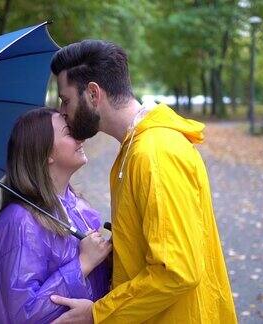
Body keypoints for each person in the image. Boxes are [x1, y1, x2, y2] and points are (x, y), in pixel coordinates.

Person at [48, 40, 237, 323]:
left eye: (66, 100)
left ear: (93, 93)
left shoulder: (155, 154)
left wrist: (98, 314)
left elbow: (176, 270)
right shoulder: (134, 148)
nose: (62, 111)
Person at [0, 108, 112, 323]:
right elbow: (23, 315)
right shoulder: (19, 222)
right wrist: (83, 263)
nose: (79, 137)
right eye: (68, 132)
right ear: (46, 153)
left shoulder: (76, 206)